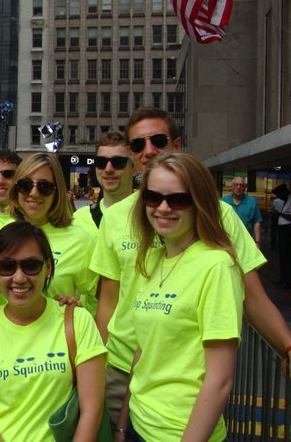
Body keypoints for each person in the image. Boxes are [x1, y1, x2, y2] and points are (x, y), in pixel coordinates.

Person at [91, 107, 286, 428]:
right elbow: (108, 302)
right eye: (138, 145)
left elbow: (253, 297)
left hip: (187, 378)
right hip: (122, 369)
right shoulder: (115, 218)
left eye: (157, 140)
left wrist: (288, 346)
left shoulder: (217, 216)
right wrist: (95, 366)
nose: (148, 150)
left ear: (177, 144)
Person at [116, 152, 244, 440]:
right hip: (139, 423)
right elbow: (144, 351)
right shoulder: (151, 259)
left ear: (199, 203)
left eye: (178, 199)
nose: (163, 208)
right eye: (153, 197)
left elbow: (220, 380)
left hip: (182, 432)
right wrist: (124, 423)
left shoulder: (216, 266)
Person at [0, 221, 106, 441]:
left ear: (49, 268)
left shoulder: (77, 321)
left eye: (31, 266)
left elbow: (91, 410)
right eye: (7, 266)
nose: (19, 277)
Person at [8, 153, 97, 307]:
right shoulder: (3, 234)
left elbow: (102, 299)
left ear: (57, 193)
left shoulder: (79, 240)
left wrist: (78, 311)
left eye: (45, 187)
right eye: (26, 185)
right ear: (16, 189)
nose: (34, 193)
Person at [75, 131, 135, 237]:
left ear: (135, 168)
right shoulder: (78, 219)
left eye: (118, 162)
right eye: (101, 162)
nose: (108, 169)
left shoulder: (151, 215)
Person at [221, 177, 263, 245]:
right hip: (227, 242)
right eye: (236, 185)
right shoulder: (224, 201)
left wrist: (257, 242)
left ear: (245, 188)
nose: (238, 187)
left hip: (246, 242)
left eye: (241, 185)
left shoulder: (251, 202)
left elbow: (257, 222)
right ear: (232, 187)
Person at [274, 184, 291, 287]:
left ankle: (287, 280)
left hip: (287, 230)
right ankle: (283, 278)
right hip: (283, 230)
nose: (279, 198)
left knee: (286, 256)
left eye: (280, 195)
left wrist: (279, 214)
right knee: (282, 255)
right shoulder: (286, 199)